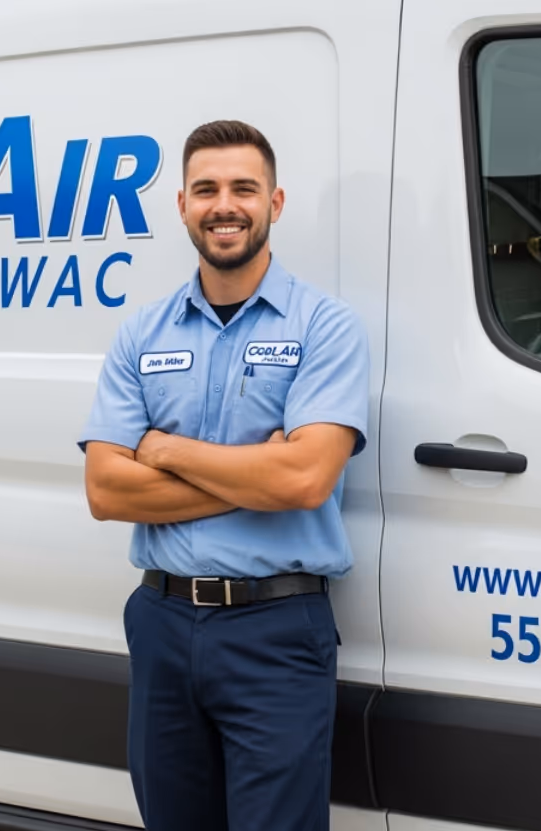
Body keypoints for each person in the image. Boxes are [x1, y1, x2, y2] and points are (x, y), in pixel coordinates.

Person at [79, 119, 369, 831]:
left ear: (276, 202)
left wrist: (166, 450)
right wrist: (252, 470)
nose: (224, 204)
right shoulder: (142, 331)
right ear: (182, 205)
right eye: (206, 189)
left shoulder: (325, 327)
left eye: (244, 187)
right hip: (163, 623)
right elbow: (106, 491)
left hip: (276, 627)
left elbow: (302, 481)